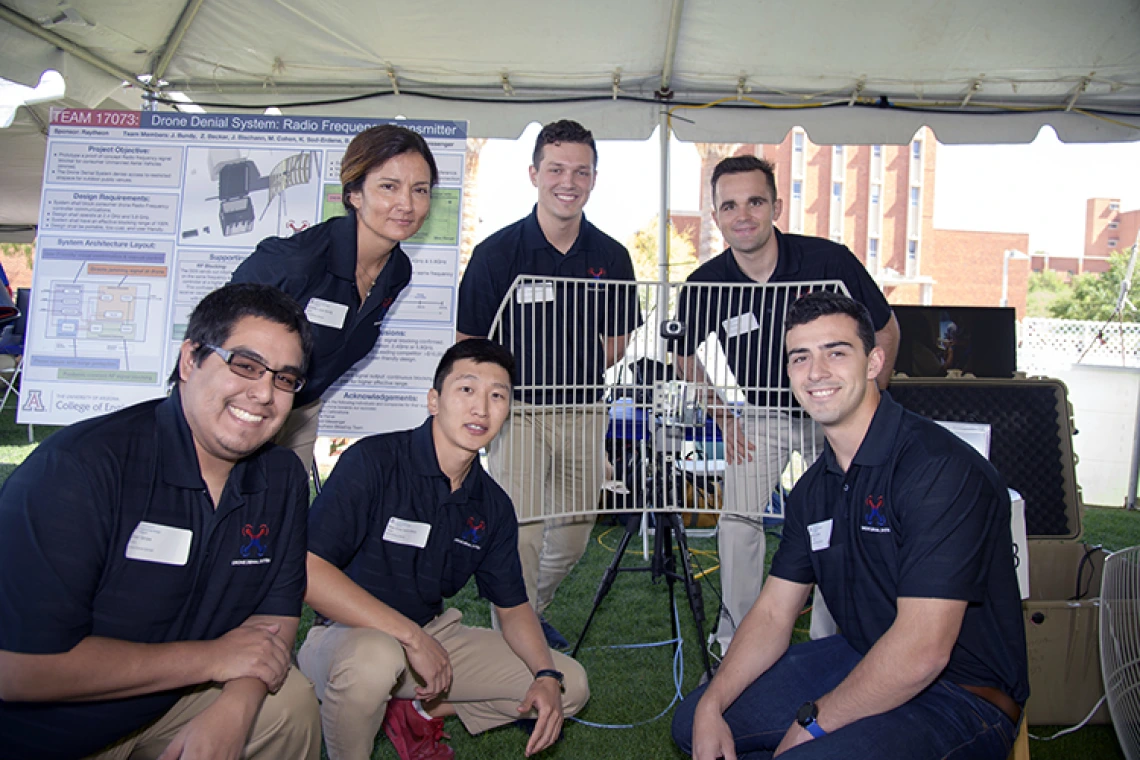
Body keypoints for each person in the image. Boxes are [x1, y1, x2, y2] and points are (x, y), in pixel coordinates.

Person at [672, 291, 1028, 760]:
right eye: (801, 358)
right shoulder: (813, 489)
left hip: (960, 695)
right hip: (861, 654)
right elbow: (775, 612)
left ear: (875, 361)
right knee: (695, 721)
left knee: (802, 747)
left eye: (836, 352)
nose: (816, 372)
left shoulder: (938, 470)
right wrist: (713, 702)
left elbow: (923, 651)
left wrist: (814, 725)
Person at [0, 283, 321, 760]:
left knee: (288, 704)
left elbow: (273, 620)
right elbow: (17, 670)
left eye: (284, 379)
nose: (263, 393)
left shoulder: (281, 479)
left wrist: (236, 705)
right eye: (246, 366)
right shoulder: (79, 471)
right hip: (49, 731)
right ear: (190, 359)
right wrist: (213, 658)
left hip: (172, 702)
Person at [298, 338, 589, 760]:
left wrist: (545, 673)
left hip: (431, 638)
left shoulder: (491, 504)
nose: (481, 409)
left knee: (570, 684)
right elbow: (308, 571)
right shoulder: (374, 462)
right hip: (346, 637)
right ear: (434, 400)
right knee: (374, 660)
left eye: (497, 396)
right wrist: (409, 636)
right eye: (466, 390)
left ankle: (416, 708)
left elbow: (513, 607)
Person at [673, 154, 899, 652]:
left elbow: (885, 328)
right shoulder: (704, 284)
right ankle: (737, 637)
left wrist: (871, 399)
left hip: (836, 416)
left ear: (775, 206)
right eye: (729, 205)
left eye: (755, 201)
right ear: (716, 217)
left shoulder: (830, 261)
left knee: (841, 522)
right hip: (763, 415)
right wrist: (722, 414)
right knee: (737, 523)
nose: (744, 215)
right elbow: (680, 353)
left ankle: (832, 639)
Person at [456, 119, 640, 648]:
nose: (568, 181)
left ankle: (529, 612)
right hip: (518, 412)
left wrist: (571, 364)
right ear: (534, 173)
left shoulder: (611, 256)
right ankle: (514, 643)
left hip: (584, 409)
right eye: (556, 169)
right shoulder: (497, 253)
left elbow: (618, 340)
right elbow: (469, 340)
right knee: (523, 530)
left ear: (594, 180)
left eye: (580, 171)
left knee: (576, 530)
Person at [232, 124, 438, 472]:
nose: (407, 204)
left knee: (282, 516)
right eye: (389, 187)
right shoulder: (295, 263)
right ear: (354, 194)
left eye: (420, 190)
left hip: (301, 411)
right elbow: (217, 338)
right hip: (242, 408)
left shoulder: (397, 271)